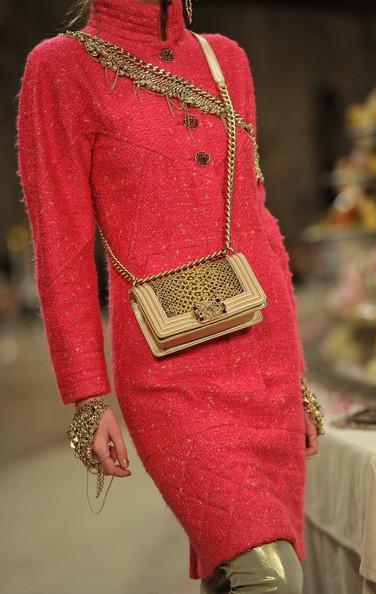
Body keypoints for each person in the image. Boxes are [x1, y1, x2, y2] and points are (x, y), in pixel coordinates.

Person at [15, 0, 323, 592]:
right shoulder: (61, 68)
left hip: (264, 361)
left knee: (241, 571)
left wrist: (296, 377)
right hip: (168, 373)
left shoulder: (224, 57)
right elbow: (62, 246)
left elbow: (256, 221)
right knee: (271, 577)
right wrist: (87, 394)